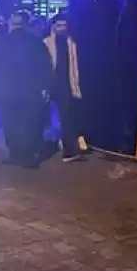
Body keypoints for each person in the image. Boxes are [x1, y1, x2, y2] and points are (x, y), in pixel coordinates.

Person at [0, 10, 52, 168]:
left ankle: (14, 153)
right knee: (30, 123)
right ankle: (29, 155)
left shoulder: (1, 43)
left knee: (10, 122)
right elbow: (44, 66)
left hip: (7, 91)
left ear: (11, 25)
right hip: (30, 91)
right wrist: (45, 87)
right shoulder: (36, 42)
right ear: (25, 25)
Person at [43, 12, 87, 162]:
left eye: (64, 25)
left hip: (66, 86)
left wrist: (76, 86)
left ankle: (69, 151)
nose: (62, 28)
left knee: (66, 118)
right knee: (52, 119)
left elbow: (75, 67)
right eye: (59, 25)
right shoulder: (46, 43)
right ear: (53, 26)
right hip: (51, 86)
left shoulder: (71, 43)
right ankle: (58, 144)